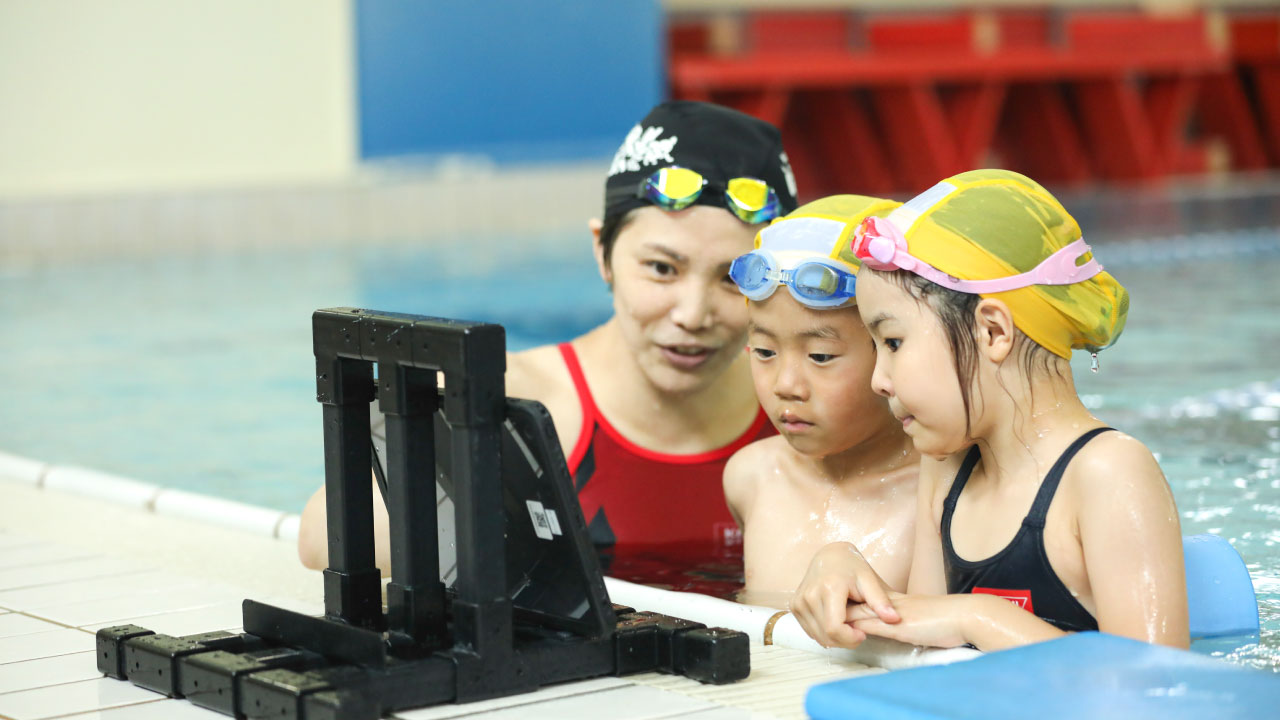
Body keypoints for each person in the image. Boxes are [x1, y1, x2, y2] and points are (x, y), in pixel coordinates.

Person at [297, 101, 799, 572]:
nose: (693, 314)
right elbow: (325, 538)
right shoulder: (521, 396)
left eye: (734, 278)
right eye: (662, 268)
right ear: (602, 252)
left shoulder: (801, 405)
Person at [790, 169, 1189, 651]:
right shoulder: (946, 472)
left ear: (993, 331)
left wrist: (979, 618)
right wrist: (841, 564)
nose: (878, 379)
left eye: (893, 342)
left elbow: (1156, 685)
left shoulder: (1108, 474)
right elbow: (921, 648)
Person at [722, 196, 919, 608]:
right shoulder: (751, 477)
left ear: (894, 350)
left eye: (820, 357)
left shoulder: (940, 493)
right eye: (763, 351)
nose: (787, 385)